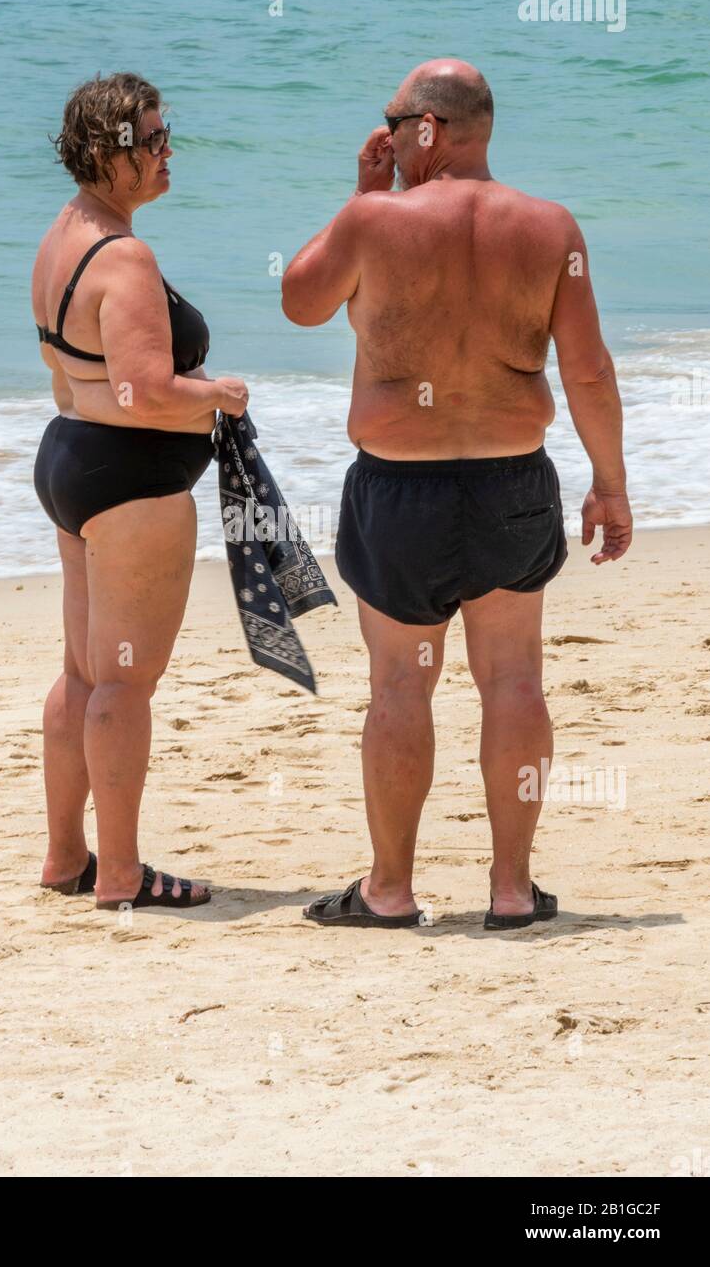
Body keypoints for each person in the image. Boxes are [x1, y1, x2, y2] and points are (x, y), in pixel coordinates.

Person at [282, 58, 632, 930]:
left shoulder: (373, 222)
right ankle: (512, 892)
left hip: (402, 490)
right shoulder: (552, 227)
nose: (389, 138)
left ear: (428, 131)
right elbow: (587, 370)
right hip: (514, 481)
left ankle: (390, 892)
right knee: (513, 679)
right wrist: (610, 484)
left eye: (396, 123)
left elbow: (299, 301)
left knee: (402, 684)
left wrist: (358, 198)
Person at [32, 72, 248, 911]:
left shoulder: (63, 235)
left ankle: (65, 856)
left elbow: (73, 376)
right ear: (101, 153)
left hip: (71, 464)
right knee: (123, 682)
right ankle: (119, 873)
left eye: (166, 135)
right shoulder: (124, 256)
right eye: (150, 141)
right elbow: (146, 392)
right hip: (129, 482)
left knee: (83, 673)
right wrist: (221, 394)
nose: (167, 152)